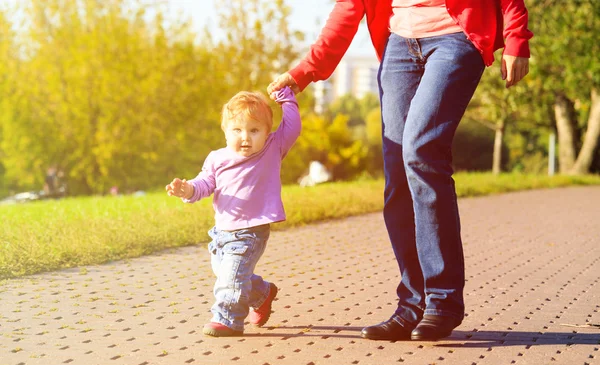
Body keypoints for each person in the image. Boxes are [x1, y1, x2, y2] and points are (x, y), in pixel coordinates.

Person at [268, 0, 532, 341]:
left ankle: (443, 302)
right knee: (398, 175)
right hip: (399, 46)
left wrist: (516, 37)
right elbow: (349, 9)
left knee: (421, 153)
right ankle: (412, 305)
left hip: (455, 37)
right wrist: (306, 69)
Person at [166, 87, 301, 337]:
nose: (245, 137)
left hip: (251, 232)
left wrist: (285, 97)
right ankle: (262, 294)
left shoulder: (272, 148)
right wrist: (186, 190)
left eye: (254, 130)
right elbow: (204, 184)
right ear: (225, 131)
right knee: (232, 274)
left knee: (230, 280)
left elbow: (292, 127)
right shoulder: (217, 158)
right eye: (237, 130)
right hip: (221, 233)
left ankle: (227, 319)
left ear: (267, 132)